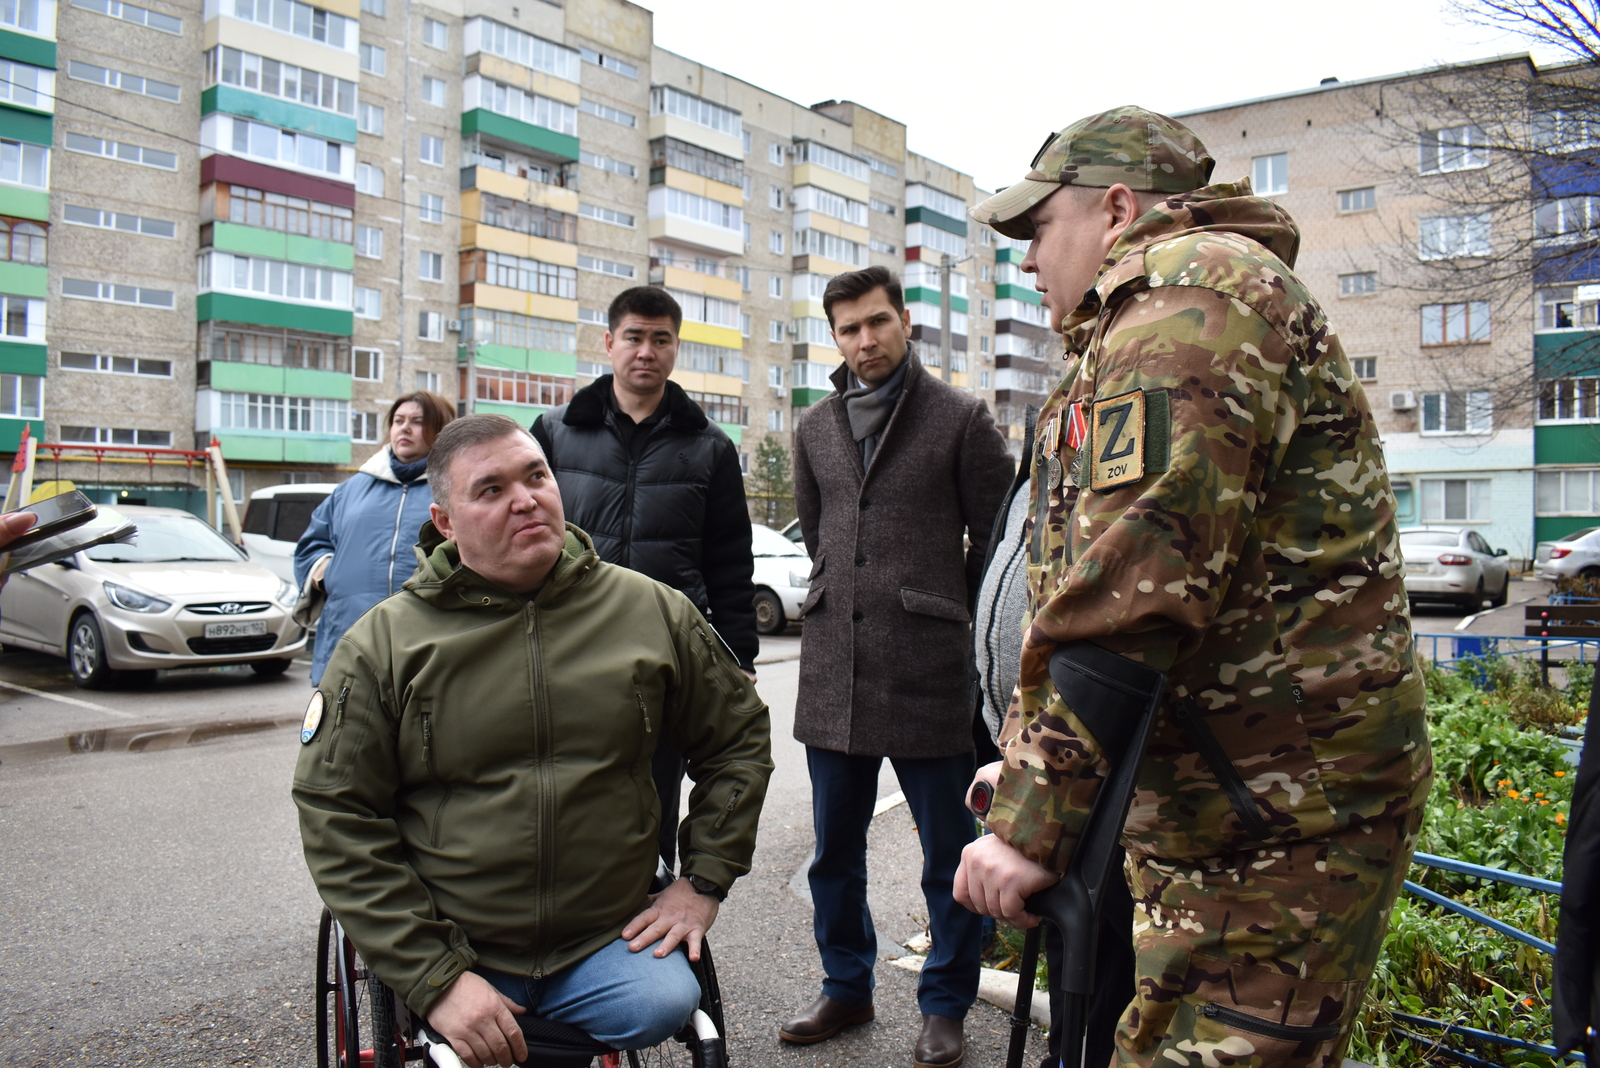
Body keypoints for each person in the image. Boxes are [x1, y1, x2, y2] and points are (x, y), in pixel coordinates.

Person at [953, 106, 1433, 1068]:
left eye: (1039, 230)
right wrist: (1027, 764)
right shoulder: (1144, 318)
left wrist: (1033, 822)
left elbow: (1133, 592)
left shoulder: (1192, 309)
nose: (1029, 261)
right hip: (1226, 801)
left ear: (1117, 208)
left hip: (1281, 820)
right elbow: (1075, 571)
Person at [293, 414, 773, 1068]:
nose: (525, 499)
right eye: (490, 490)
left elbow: (737, 737)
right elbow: (337, 809)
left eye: (536, 476)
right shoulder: (384, 645)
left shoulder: (652, 613)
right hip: (458, 940)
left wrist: (704, 881)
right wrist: (435, 976)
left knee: (661, 1001)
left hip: (605, 940)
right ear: (444, 522)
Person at [780, 265, 1015, 1068]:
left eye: (877, 322)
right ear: (834, 337)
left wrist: (954, 613)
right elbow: (820, 537)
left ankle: (945, 1002)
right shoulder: (814, 428)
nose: (865, 340)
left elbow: (998, 542)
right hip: (833, 672)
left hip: (930, 672)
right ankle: (845, 986)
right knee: (832, 854)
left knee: (949, 855)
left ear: (905, 322)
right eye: (848, 328)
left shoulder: (960, 418)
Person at [532, 286, 757, 869]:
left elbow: (730, 561)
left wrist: (739, 656)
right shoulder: (554, 434)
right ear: (609, 343)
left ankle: (644, 924)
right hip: (565, 643)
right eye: (634, 336)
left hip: (664, 653)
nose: (646, 351)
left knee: (653, 793)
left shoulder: (710, 447)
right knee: (556, 790)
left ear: (676, 348)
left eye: (661, 339)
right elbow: (523, 542)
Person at [294, 391, 454, 686]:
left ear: (441, 430)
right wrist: (325, 573)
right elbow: (313, 543)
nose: (404, 428)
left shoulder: (454, 489)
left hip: (429, 640)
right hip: (350, 635)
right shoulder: (351, 489)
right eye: (398, 420)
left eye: (418, 422)